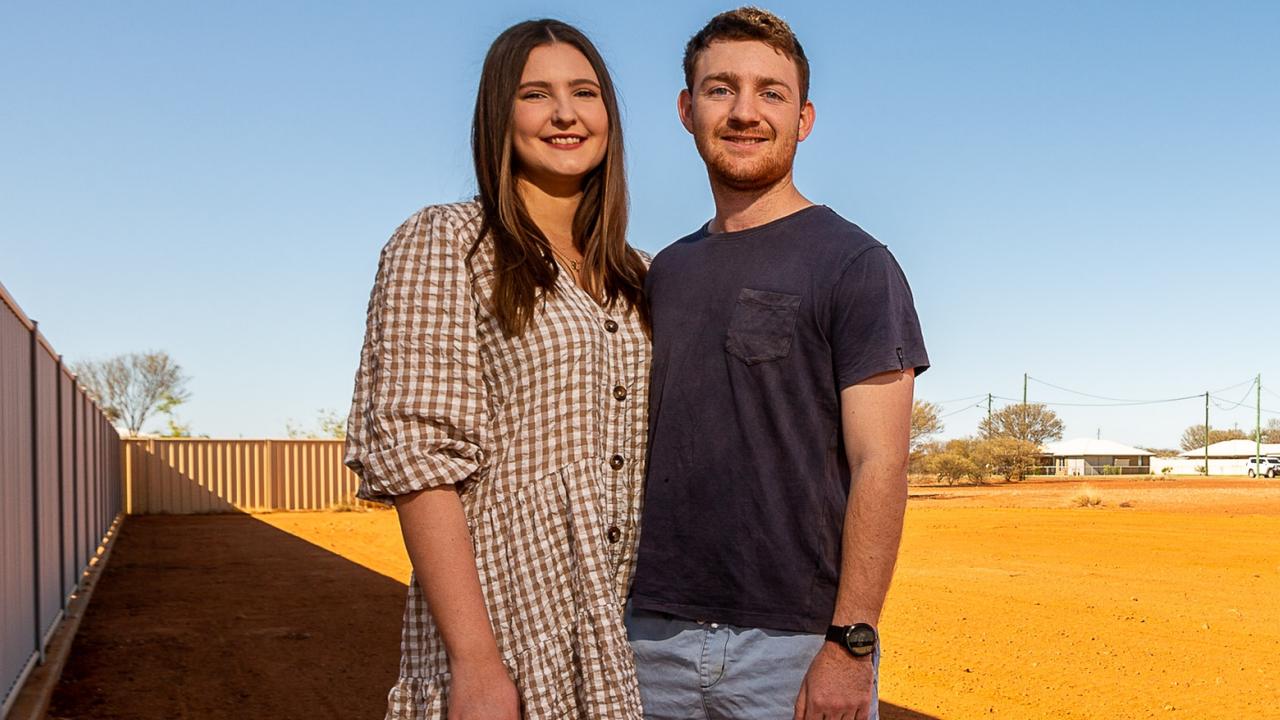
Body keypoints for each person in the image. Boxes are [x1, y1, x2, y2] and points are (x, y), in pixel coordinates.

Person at [626, 7, 929, 720]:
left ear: (804, 118)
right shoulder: (663, 273)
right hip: (646, 640)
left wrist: (850, 644)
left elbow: (882, 464)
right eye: (719, 88)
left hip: (791, 650)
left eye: (770, 92)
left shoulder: (855, 264)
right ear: (685, 108)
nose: (743, 112)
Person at [343, 19, 651, 720]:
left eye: (585, 92)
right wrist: (476, 661)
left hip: (626, 634)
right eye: (535, 94)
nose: (566, 113)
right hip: (508, 624)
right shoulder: (447, 242)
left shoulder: (643, 276)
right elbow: (420, 460)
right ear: (497, 115)